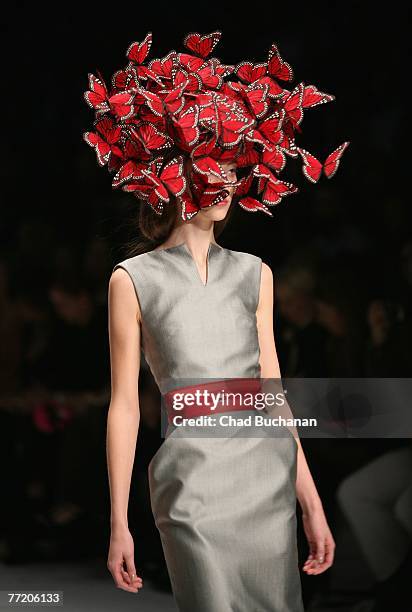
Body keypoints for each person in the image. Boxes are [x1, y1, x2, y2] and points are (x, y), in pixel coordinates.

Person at [84, 30, 347, 611]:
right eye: (209, 161)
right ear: (170, 174)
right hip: (191, 481)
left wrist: (309, 500)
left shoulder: (255, 273)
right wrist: (118, 522)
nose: (225, 175)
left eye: (233, 162)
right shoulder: (132, 280)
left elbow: (272, 397)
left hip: (264, 479)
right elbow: (124, 405)